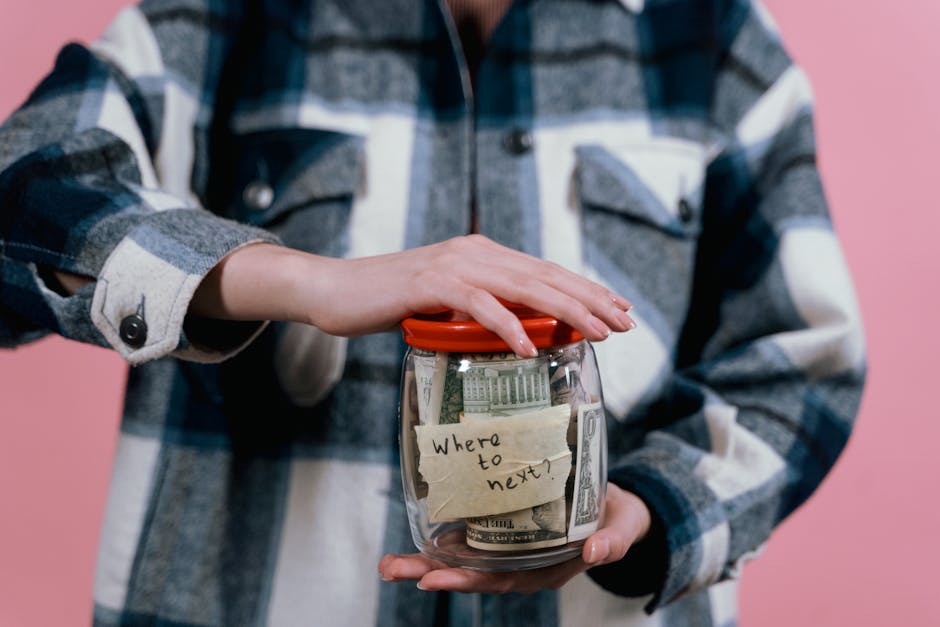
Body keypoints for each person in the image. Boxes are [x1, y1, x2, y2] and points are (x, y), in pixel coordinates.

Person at [0, 0, 865, 625]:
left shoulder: (717, 43)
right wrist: (305, 281)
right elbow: (22, 199)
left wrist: (653, 508)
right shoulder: (220, 21)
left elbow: (801, 361)